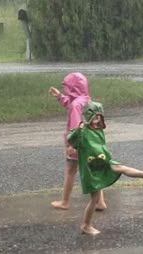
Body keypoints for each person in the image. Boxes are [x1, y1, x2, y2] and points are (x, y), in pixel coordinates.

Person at [67, 101, 143, 235]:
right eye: (94, 116)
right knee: (94, 199)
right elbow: (71, 139)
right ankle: (86, 225)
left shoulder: (98, 130)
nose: (97, 119)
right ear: (88, 117)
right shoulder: (83, 131)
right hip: (91, 170)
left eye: (99, 117)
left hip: (104, 163)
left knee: (120, 167)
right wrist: (79, 129)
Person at [49, 72, 107, 211]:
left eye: (67, 88)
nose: (65, 90)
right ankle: (100, 202)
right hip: (90, 143)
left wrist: (72, 146)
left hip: (78, 144)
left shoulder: (75, 105)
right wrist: (59, 97)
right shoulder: (87, 100)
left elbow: (76, 126)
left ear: (73, 88)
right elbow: (71, 103)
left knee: (70, 170)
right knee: (93, 170)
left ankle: (65, 201)